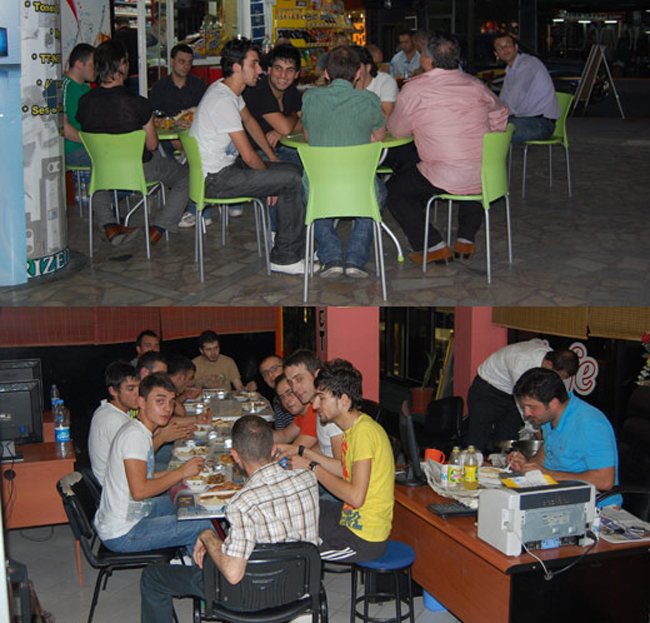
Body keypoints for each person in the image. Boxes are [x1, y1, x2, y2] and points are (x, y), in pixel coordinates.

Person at [139, 414, 320, 622]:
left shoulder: (241, 503)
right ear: (273, 449)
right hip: (300, 587)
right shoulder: (308, 477)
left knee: (153, 576)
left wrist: (208, 536)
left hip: (247, 597)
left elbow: (233, 574)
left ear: (234, 455)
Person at [386, 32, 509, 265]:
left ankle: (432, 245)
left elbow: (398, 130)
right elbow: (501, 111)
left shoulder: (415, 89)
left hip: (444, 175)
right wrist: (490, 134)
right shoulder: (475, 85)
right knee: (471, 167)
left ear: (427, 60)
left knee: (395, 191)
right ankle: (465, 239)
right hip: (485, 174)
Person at [189, 37, 308, 275]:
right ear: (237, 67)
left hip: (225, 170)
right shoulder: (222, 101)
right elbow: (249, 155)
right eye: (254, 64)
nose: (260, 70)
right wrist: (270, 183)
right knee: (292, 180)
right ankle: (285, 257)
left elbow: (251, 122)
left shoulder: (227, 90)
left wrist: (272, 159)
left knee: (292, 171)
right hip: (216, 179)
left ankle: (287, 242)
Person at [77, 39, 189, 247]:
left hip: (104, 170)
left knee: (97, 169)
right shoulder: (138, 103)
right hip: (139, 169)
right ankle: (158, 228)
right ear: (121, 64)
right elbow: (152, 145)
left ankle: (109, 225)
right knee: (187, 177)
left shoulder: (84, 102)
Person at [289, 359, 394, 562]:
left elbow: (355, 497)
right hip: (351, 519)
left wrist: (312, 467)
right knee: (299, 508)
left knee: (297, 551)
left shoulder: (363, 433)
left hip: (362, 538)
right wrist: (304, 452)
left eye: (321, 398)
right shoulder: (353, 430)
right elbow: (343, 469)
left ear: (344, 400)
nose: (315, 405)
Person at [94, 373, 212, 553]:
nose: (168, 408)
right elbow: (140, 491)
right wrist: (180, 473)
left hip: (137, 512)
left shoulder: (139, 430)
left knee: (192, 503)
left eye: (171, 402)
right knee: (203, 524)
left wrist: (184, 471)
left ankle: (187, 557)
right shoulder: (134, 437)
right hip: (124, 531)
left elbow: (145, 476)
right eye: (160, 401)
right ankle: (193, 565)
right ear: (141, 402)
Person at [301, 45, 386, 279]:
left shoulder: (310, 98)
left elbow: (308, 137)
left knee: (310, 191)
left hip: (320, 186)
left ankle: (331, 257)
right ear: (358, 73)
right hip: (359, 186)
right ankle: (356, 258)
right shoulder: (369, 100)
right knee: (377, 192)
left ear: (326, 73)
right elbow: (379, 137)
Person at [509, 367, 622, 506]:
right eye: (524, 407)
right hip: (560, 495)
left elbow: (605, 481)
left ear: (553, 403)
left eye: (531, 407)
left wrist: (548, 474)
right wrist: (526, 465)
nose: (526, 413)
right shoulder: (549, 417)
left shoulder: (590, 424)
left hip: (594, 504)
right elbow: (549, 451)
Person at [465, 340, 579, 453]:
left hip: (510, 393)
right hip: (488, 390)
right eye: (559, 376)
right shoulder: (522, 364)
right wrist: (538, 434)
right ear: (549, 364)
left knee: (509, 439)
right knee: (478, 438)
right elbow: (526, 406)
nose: (559, 380)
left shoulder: (552, 359)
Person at [243, 43, 303, 165]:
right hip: (257, 153)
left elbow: (307, 123)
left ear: (297, 74)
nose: (283, 76)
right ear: (269, 70)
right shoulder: (258, 90)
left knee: (313, 164)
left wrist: (279, 132)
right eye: (278, 68)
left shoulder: (291, 90)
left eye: (290, 70)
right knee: (296, 171)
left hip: (282, 148)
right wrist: (293, 116)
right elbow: (286, 128)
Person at [494, 33, 560, 144]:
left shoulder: (528, 64)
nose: (504, 49)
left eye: (507, 45)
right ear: (496, 54)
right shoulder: (510, 71)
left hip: (541, 124)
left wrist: (493, 115)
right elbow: (502, 101)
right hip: (524, 120)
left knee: (491, 131)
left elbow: (513, 100)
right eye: (500, 48)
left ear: (516, 47)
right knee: (486, 126)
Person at [280, 349, 343, 460]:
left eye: (299, 379)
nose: (294, 388)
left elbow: (342, 467)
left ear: (317, 374)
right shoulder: (316, 407)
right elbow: (325, 448)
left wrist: (306, 459)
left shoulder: (332, 411)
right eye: (290, 382)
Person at [150, 43, 206, 160]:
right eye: (182, 61)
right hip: (168, 137)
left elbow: (206, 114)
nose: (186, 66)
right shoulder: (159, 88)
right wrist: (173, 135)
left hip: (195, 134)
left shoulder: (198, 85)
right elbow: (156, 119)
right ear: (172, 61)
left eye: (189, 62)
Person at [88, 361, 140, 486]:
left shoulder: (106, 408)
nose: (138, 394)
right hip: (118, 488)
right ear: (113, 391)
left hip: (120, 480)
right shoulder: (115, 420)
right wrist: (162, 438)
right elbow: (139, 460)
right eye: (131, 389)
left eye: (139, 387)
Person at [63, 43, 95, 167]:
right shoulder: (63, 86)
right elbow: (63, 127)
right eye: (93, 64)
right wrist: (90, 141)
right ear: (79, 64)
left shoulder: (87, 89)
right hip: (72, 149)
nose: (96, 69)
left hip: (87, 146)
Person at [272, 374, 318, 449]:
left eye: (290, 393)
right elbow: (285, 435)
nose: (286, 400)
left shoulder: (314, 412)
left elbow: (295, 451)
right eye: (282, 397)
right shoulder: (302, 414)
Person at [354, 45, 398, 118]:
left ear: (368, 67)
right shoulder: (344, 84)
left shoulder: (386, 82)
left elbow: (385, 116)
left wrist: (359, 92)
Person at [259, 355, 293, 429]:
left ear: (285, 368)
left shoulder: (296, 393)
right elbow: (281, 430)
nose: (270, 375)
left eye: (274, 369)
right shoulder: (276, 399)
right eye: (265, 373)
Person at [113, 16, 140, 94]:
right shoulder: (137, 33)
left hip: (124, 74)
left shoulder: (116, 35)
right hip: (138, 72)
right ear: (128, 23)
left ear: (117, 25)